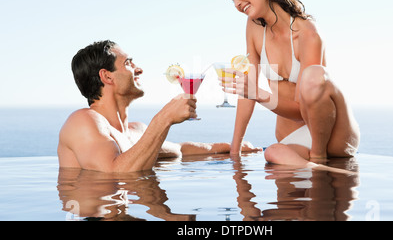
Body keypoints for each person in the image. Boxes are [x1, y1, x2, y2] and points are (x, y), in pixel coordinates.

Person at [222, 0, 360, 168]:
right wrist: (235, 150)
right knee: (274, 152)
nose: (236, 3)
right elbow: (247, 93)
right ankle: (321, 171)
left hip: (331, 135)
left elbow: (303, 109)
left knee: (314, 74)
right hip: (292, 139)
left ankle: (318, 158)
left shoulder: (307, 34)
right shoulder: (254, 28)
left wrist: (259, 94)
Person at [58, 40, 259, 173]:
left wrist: (233, 147)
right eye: (129, 63)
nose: (139, 69)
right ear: (107, 76)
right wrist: (164, 118)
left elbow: (180, 150)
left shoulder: (136, 131)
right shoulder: (83, 121)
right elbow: (115, 174)